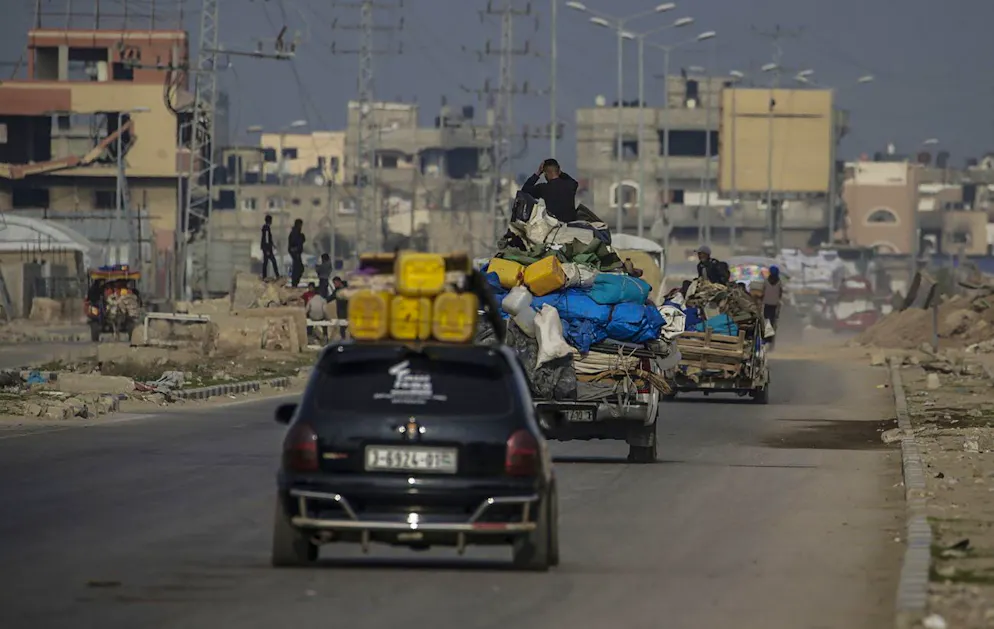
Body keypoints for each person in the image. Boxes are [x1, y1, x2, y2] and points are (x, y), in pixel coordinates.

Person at [520, 158, 579, 223]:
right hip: (570, 224)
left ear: (545, 173)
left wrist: (538, 173)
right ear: (558, 171)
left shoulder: (543, 188)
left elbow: (525, 190)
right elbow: (574, 182)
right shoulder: (570, 185)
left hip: (554, 225)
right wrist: (560, 172)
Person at [762, 265, 784, 347]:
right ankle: (770, 340)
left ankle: (766, 338)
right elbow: (780, 293)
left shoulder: (766, 281)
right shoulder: (779, 282)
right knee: (772, 322)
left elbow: (762, 291)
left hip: (766, 304)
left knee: (766, 321)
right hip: (775, 305)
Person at [288, 219, 306, 287]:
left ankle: (295, 282)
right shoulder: (295, 233)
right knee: (298, 268)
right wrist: (295, 250)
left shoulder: (297, 232)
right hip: (296, 253)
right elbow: (294, 243)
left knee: (299, 268)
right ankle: (294, 283)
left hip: (296, 252)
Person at [261, 214, 279, 279]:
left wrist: (273, 245)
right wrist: (268, 249)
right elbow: (267, 239)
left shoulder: (265, 227)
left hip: (266, 247)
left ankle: (264, 276)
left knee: (265, 262)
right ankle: (277, 275)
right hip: (267, 248)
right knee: (273, 261)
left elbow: (268, 239)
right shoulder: (266, 228)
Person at [330, 276, 349, 340]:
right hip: (340, 311)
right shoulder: (336, 290)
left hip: (347, 310)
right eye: (334, 284)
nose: (334, 285)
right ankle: (343, 339)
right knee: (342, 327)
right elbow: (331, 298)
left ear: (339, 282)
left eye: (335, 283)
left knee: (348, 326)